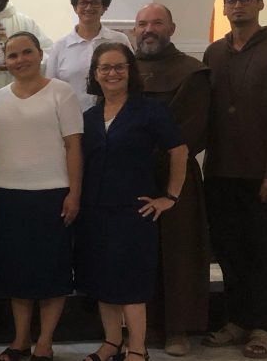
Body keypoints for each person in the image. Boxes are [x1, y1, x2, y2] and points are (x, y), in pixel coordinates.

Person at [75, 42, 188, 361]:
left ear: (130, 71)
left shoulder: (150, 111)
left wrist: (170, 196)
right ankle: (111, 343)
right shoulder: (89, 116)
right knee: (102, 279)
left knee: (130, 282)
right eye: (104, 68)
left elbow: (179, 150)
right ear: (95, 74)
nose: (111, 73)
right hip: (95, 212)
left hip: (133, 212)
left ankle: (137, 347)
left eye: (119, 67)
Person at [201, 0, 267, 360]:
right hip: (220, 172)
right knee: (229, 251)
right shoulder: (214, 53)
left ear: (259, 4)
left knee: (263, 253)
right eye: (232, 0)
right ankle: (237, 321)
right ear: (224, 7)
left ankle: (262, 327)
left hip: (262, 175)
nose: (238, 5)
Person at [0, 32, 82, 361]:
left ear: (40, 54)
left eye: (26, 52)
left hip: (51, 195)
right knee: (17, 273)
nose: (20, 60)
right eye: (12, 55)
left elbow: (73, 147)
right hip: (7, 195)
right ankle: (20, 339)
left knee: (51, 273)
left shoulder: (61, 93)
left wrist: (74, 193)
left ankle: (45, 342)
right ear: (5, 61)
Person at [131, 3, 211, 357]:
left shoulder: (192, 72)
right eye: (142, 23)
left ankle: (177, 328)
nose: (149, 29)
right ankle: (140, 325)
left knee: (178, 253)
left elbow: (190, 127)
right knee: (136, 251)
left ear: (172, 28)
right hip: (131, 175)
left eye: (157, 23)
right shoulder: (123, 67)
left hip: (176, 176)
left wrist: (142, 149)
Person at [46, 0, 130, 110]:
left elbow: (131, 78)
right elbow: (51, 89)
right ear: (75, 8)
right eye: (83, 3)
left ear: (104, 8)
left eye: (95, 3)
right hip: (71, 117)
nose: (89, 7)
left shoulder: (119, 40)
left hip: (115, 116)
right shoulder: (59, 47)